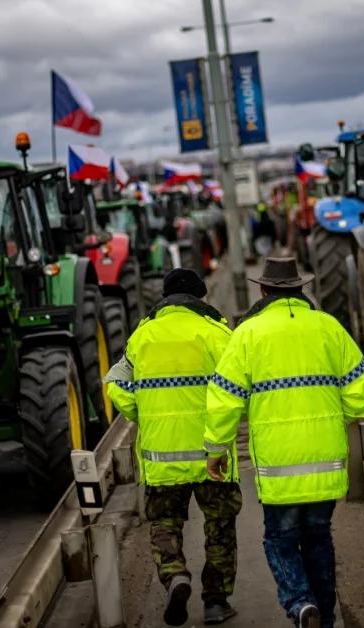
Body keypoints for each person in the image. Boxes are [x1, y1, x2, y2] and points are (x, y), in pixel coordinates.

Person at [204, 257, 364, 628]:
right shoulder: (329, 327)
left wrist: (216, 450)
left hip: (279, 468)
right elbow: (361, 397)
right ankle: (325, 618)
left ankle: (300, 604)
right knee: (318, 539)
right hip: (326, 462)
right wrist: (332, 420)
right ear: (301, 289)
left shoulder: (248, 334)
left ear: (263, 291)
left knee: (279, 541)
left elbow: (224, 398)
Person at [105, 268, 242, 626]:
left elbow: (115, 383)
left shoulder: (142, 337)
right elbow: (237, 388)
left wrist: (142, 412)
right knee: (220, 529)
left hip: (161, 458)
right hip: (214, 457)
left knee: (164, 523)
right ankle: (215, 601)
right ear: (200, 298)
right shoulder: (217, 334)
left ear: (164, 299)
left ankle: (175, 573)